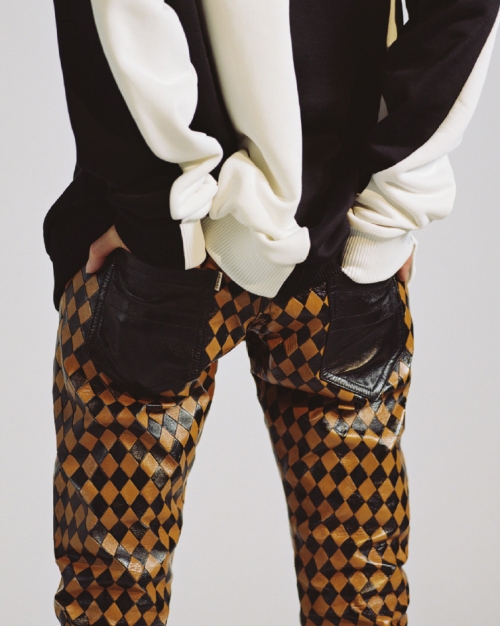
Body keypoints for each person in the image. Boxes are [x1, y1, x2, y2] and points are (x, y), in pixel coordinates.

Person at [44, 1, 500, 624]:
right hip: (336, 235)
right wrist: (393, 199)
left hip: (177, 236)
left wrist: (156, 206)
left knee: (112, 596)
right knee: (359, 590)